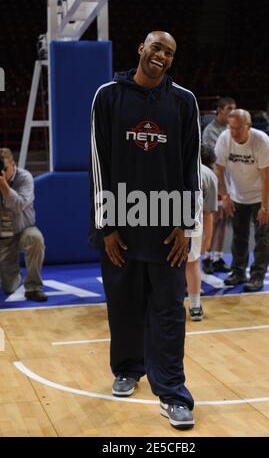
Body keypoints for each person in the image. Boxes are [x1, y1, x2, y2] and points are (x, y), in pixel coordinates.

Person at [90, 31, 202, 430]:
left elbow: (191, 166)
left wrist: (187, 224)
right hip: (120, 221)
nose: (162, 56)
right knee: (123, 306)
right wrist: (106, 226)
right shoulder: (107, 95)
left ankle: (173, 394)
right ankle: (127, 369)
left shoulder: (184, 100)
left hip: (168, 226)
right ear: (141, 48)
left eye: (169, 52)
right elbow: (98, 161)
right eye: (156, 47)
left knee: (170, 311)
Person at [215, 109, 269, 292]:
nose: (233, 132)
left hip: (261, 195)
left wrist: (265, 207)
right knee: (238, 235)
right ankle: (238, 272)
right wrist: (225, 196)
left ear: (248, 126)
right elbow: (218, 170)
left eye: (238, 128)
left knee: (262, 236)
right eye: (231, 127)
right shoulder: (224, 139)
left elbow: (267, 178)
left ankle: (258, 276)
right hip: (237, 195)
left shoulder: (261, 141)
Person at [0, 148, 47, 301]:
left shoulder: (25, 177)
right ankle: (13, 275)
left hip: (24, 230)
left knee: (36, 238)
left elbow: (19, 204)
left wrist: (4, 187)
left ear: (13, 165)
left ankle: (33, 287)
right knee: (9, 287)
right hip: (4, 237)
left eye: (4, 168)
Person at [202, 97, 236, 275]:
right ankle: (206, 257)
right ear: (220, 110)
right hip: (214, 180)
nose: (232, 112)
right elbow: (210, 159)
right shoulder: (210, 130)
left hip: (228, 181)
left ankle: (218, 257)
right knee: (214, 220)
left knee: (223, 220)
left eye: (234, 108)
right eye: (229, 108)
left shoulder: (232, 129)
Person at [186, 145, 218, 321]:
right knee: (193, 263)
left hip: (163, 221)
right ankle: (195, 306)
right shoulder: (208, 174)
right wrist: (208, 238)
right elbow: (208, 213)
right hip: (191, 223)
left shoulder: (173, 163)